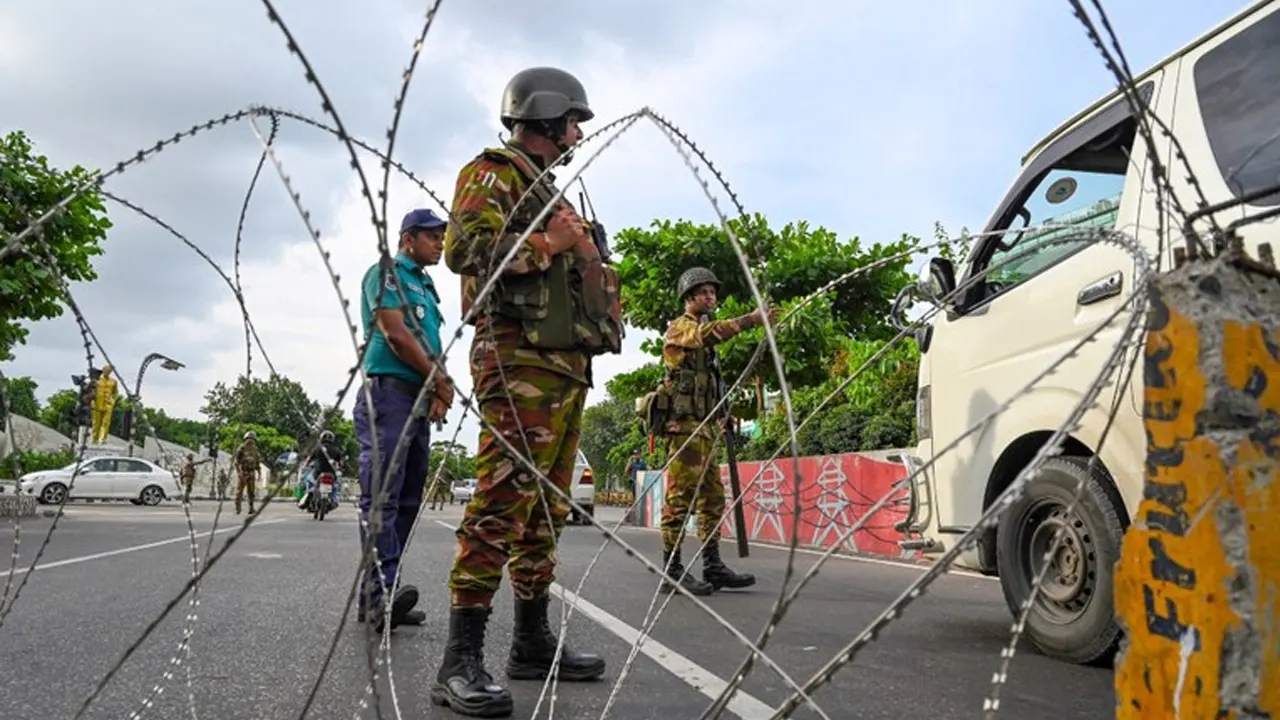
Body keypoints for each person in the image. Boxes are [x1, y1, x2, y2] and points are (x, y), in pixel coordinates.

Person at [429, 66, 623, 719]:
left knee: (547, 509)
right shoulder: (494, 172)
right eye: (571, 120)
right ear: (541, 116)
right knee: (501, 500)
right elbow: (465, 250)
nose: (576, 133)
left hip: (561, 366)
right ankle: (459, 660)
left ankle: (533, 642)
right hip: (516, 360)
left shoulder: (546, 187)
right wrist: (550, 242)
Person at [353, 207, 454, 634]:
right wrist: (439, 379)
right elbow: (395, 331)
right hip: (389, 396)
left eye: (443, 236)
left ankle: (376, 597)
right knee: (382, 499)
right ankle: (382, 595)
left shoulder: (428, 288)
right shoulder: (390, 272)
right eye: (433, 236)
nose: (441, 243)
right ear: (408, 238)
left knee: (408, 502)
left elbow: (428, 339)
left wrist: (436, 389)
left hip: (417, 400)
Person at [656, 266, 776, 596]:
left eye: (713, 292)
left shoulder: (705, 346)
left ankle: (713, 565)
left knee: (712, 500)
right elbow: (711, 333)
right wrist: (750, 320)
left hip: (705, 428)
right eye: (705, 292)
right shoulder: (681, 329)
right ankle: (672, 570)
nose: (711, 297)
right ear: (689, 297)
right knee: (679, 500)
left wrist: (722, 415)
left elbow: (709, 385)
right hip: (684, 430)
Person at [233, 431, 262, 515]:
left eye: (252, 438)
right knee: (239, 492)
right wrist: (239, 473)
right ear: (245, 439)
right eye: (249, 438)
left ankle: (251, 508)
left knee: (251, 492)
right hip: (243, 472)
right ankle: (237, 508)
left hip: (252, 473)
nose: (250, 440)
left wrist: (259, 472)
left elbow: (257, 462)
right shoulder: (241, 448)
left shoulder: (255, 450)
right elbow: (236, 462)